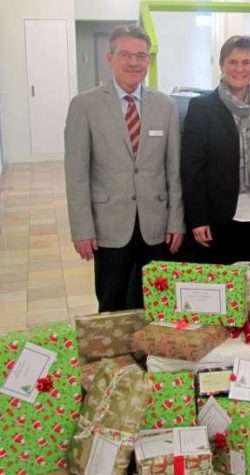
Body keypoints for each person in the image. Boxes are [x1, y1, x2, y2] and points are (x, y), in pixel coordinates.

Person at [64, 25, 184, 312]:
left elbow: (173, 171)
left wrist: (176, 221)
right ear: (110, 58)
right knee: (111, 303)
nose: (134, 62)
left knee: (154, 304)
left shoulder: (165, 106)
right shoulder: (85, 105)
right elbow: (76, 175)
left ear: (148, 61)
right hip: (109, 225)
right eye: (125, 55)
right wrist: (82, 229)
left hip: (155, 226)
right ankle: (112, 358)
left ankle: (149, 357)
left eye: (141, 56)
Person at [181, 36, 250, 264]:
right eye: (232, 62)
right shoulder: (202, 108)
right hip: (216, 218)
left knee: (249, 290)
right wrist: (198, 219)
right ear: (221, 65)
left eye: (246, 62)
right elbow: (192, 169)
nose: (239, 68)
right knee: (219, 291)